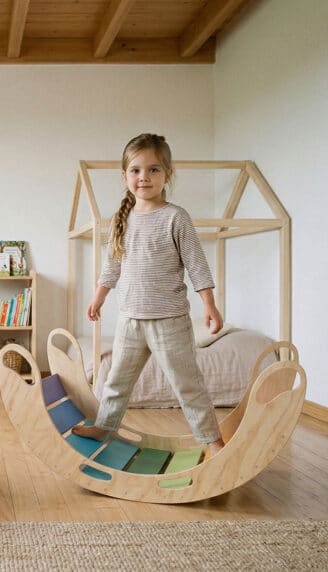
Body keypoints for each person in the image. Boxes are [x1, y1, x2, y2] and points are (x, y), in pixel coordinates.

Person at [71, 133, 227, 456]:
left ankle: (213, 441)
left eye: (153, 170)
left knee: (188, 384)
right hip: (130, 320)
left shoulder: (175, 217)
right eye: (136, 170)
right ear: (125, 176)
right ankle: (104, 426)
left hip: (169, 321)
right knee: (116, 381)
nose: (144, 177)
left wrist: (209, 305)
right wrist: (98, 297)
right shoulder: (122, 220)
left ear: (167, 174)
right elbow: (111, 266)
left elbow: (196, 264)